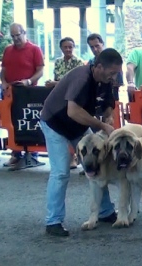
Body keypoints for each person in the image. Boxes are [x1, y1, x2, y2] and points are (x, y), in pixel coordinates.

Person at [39, 48, 122, 237]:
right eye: (112, 72)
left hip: (77, 125)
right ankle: (53, 221)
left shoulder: (106, 79)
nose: (114, 76)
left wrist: (108, 116)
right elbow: (73, 111)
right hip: (55, 123)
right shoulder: (81, 78)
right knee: (61, 172)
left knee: (97, 164)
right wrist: (101, 124)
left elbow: (109, 102)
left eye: (116, 72)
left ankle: (105, 211)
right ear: (98, 67)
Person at [0, 23, 44, 166]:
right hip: (12, 93)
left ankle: (33, 153)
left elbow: (40, 70)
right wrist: (4, 82)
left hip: (29, 92)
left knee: (30, 122)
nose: (15, 39)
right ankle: (16, 153)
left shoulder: (34, 49)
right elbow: (3, 71)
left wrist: (29, 81)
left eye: (18, 35)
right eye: (13, 36)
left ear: (24, 33)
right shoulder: (8, 50)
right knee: (12, 122)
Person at [45, 37, 85, 169]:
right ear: (61, 48)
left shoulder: (78, 62)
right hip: (59, 101)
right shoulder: (57, 62)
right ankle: (68, 156)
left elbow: (75, 82)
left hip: (74, 99)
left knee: (74, 127)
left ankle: (75, 156)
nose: (68, 49)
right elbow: (58, 79)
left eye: (70, 47)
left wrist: (55, 83)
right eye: (65, 47)